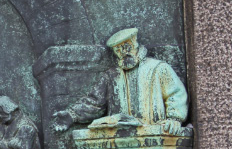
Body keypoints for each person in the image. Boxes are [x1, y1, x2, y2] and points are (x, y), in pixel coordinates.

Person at [51, 28, 188, 135]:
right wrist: (71, 115)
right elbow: (94, 103)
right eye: (118, 49)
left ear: (135, 43)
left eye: (126, 46)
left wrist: (174, 119)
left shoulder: (158, 68)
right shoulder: (111, 76)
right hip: (120, 139)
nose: (123, 52)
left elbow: (176, 94)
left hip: (154, 135)